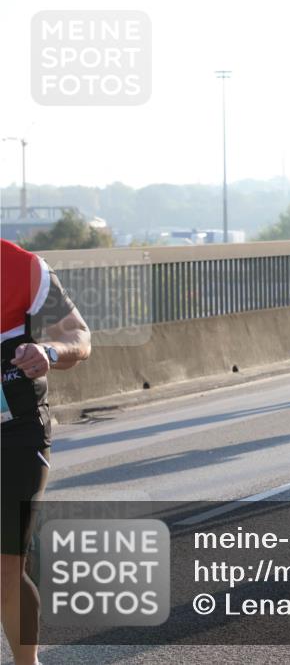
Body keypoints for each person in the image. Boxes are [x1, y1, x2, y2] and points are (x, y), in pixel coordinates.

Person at [2, 239, 91, 665]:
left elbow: (79, 335)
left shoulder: (23, 267)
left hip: (16, 435)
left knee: (5, 574)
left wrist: (49, 352)